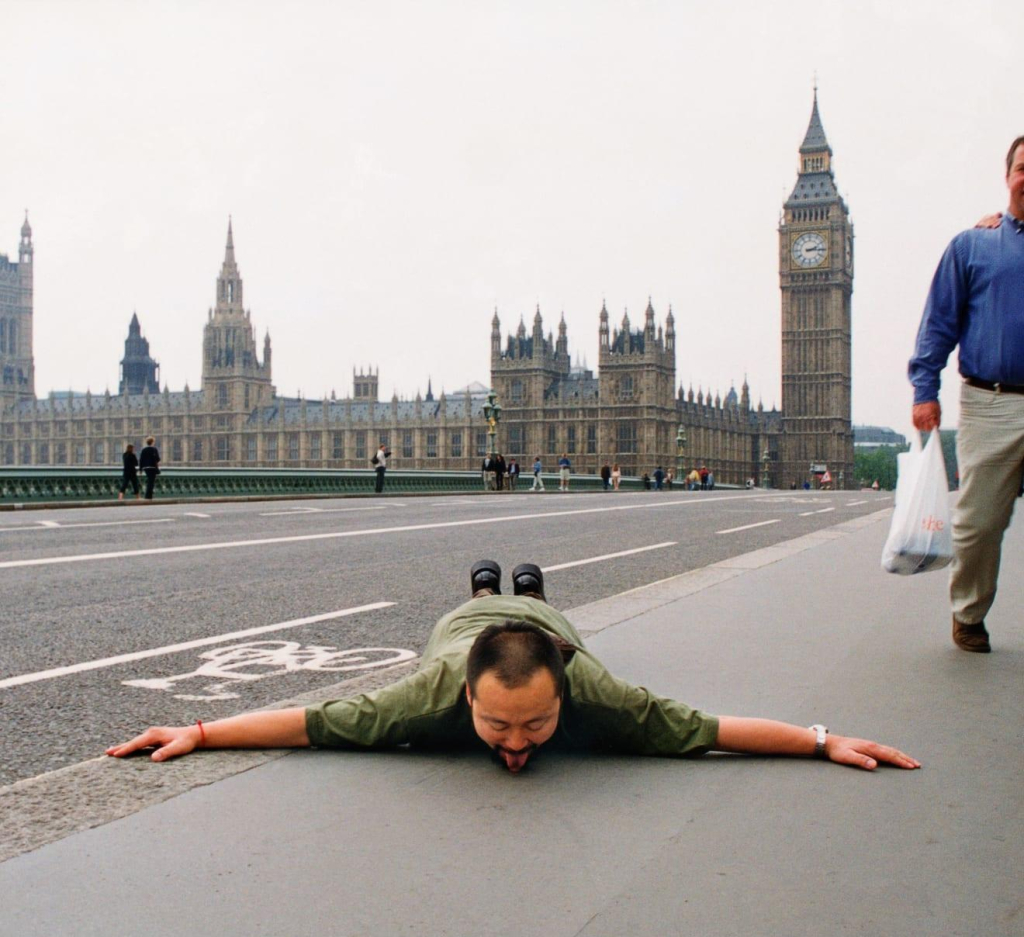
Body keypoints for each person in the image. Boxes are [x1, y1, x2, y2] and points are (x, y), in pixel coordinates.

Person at [107, 561, 921, 776]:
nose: (517, 745)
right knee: (483, 605)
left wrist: (822, 741)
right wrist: (200, 729)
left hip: (549, 632)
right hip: (464, 631)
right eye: (497, 725)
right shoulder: (427, 692)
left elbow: (712, 730)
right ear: (464, 698)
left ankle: (521, 592)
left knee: (534, 606)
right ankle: (490, 591)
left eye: (535, 725)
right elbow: (313, 722)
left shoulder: (597, 688)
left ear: (565, 695)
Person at [907, 136, 1024, 654]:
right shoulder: (973, 245)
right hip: (991, 400)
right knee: (978, 523)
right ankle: (969, 614)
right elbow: (939, 322)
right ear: (1008, 176)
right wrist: (923, 388)